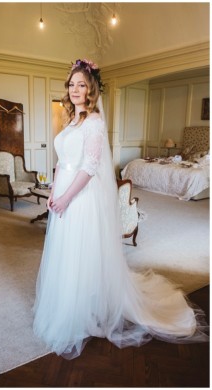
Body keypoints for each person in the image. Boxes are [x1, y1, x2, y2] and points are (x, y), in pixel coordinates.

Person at [33, 59, 208, 359]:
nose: (75, 89)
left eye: (81, 85)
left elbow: (88, 168)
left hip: (80, 199)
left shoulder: (94, 122)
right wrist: (53, 191)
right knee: (66, 253)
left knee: (82, 253)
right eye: (71, 84)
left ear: (91, 90)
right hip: (62, 193)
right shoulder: (70, 121)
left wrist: (65, 199)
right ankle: (70, 301)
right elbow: (63, 161)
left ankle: (87, 310)